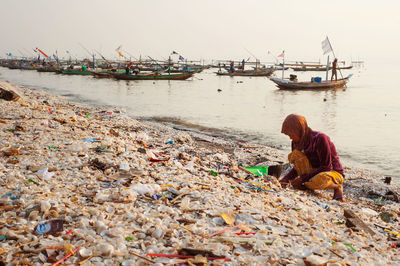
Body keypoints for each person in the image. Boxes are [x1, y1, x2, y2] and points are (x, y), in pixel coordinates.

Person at [279, 114, 345, 201]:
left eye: (291, 134)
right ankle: (306, 185)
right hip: (312, 173)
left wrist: (302, 179)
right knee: (295, 155)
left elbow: (327, 167)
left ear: (299, 130)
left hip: (331, 173)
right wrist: (285, 180)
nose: (290, 138)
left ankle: (337, 187)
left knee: (320, 179)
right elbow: (297, 167)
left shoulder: (320, 138)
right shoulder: (296, 142)